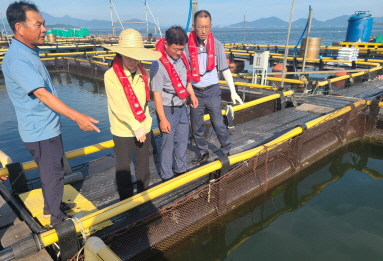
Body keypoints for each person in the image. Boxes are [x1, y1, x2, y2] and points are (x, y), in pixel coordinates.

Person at [3, 1, 100, 226]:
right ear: (19, 27)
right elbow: (43, 95)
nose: (44, 29)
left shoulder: (26, 52)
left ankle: (52, 206)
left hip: (43, 127)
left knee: (51, 171)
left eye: (43, 24)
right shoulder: (19, 59)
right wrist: (78, 117)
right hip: (40, 131)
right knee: (53, 174)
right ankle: (57, 221)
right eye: (38, 25)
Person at [103, 29, 161, 200]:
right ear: (120, 53)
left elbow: (144, 102)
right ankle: (125, 199)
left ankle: (144, 192)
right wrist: (135, 126)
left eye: (136, 56)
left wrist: (143, 125)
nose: (132, 60)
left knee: (144, 161)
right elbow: (118, 106)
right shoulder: (110, 75)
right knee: (123, 165)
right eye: (128, 56)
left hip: (143, 125)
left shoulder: (144, 73)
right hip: (123, 128)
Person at [185, 10, 243, 164]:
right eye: (200, 27)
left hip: (212, 91)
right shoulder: (186, 45)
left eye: (207, 27)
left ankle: (226, 149)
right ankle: (203, 151)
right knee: (196, 126)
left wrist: (233, 91)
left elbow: (224, 69)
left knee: (218, 123)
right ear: (194, 26)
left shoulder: (217, 45)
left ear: (211, 26)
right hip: (195, 92)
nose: (204, 31)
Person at [150, 26, 198, 182]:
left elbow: (185, 82)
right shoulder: (158, 65)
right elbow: (156, 95)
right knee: (168, 143)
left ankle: (180, 168)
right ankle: (166, 175)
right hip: (167, 108)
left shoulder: (182, 58)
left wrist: (192, 94)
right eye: (175, 49)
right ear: (166, 44)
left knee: (183, 139)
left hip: (182, 105)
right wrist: (162, 119)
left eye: (181, 49)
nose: (179, 53)